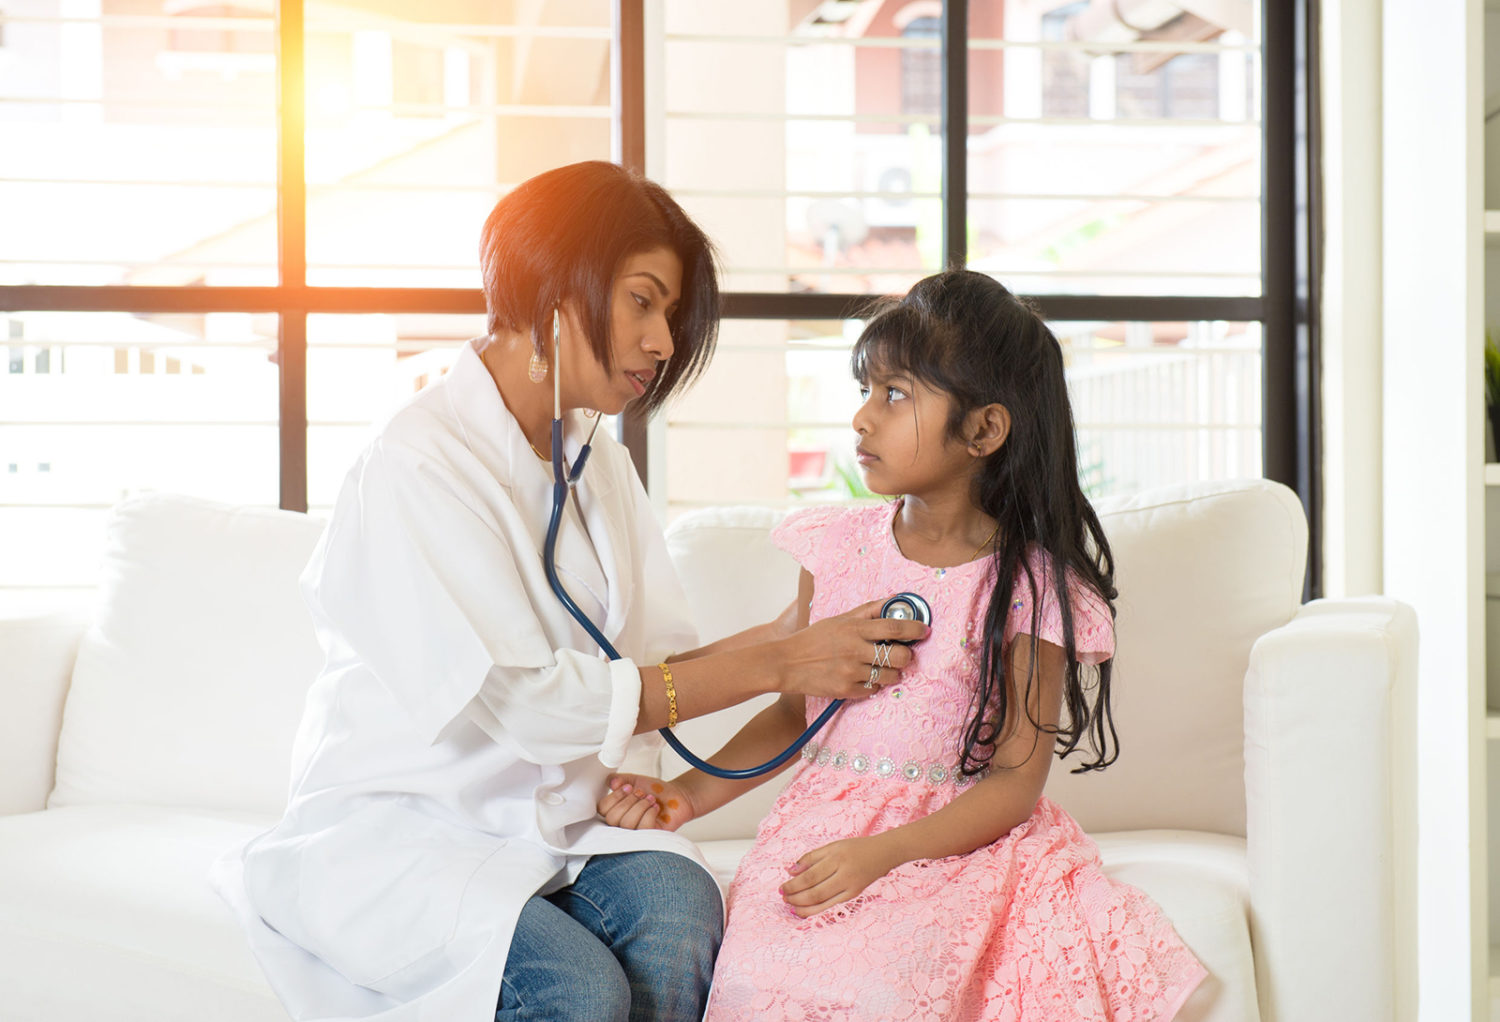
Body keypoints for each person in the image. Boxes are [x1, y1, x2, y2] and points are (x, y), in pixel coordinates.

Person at [211, 161, 927, 1022]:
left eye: (670, 315)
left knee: (678, 916)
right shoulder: (416, 464)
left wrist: (794, 639)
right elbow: (536, 711)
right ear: (553, 281)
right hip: (406, 831)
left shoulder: (597, 459)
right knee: (579, 992)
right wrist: (780, 659)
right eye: (642, 300)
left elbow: (651, 664)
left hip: (567, 827)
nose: (663, 343)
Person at [599, 269, 1209, 1021]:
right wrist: (685, 796)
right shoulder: (839, 548)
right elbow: (798, 714)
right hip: (818, 832)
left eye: (894, 395)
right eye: (866, 390)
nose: (861, 419)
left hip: (941, 849)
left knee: (880, 990)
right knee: (754, 988)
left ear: (984, 430)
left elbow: (1015, 786)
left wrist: (882, 854)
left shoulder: (1029, 588)